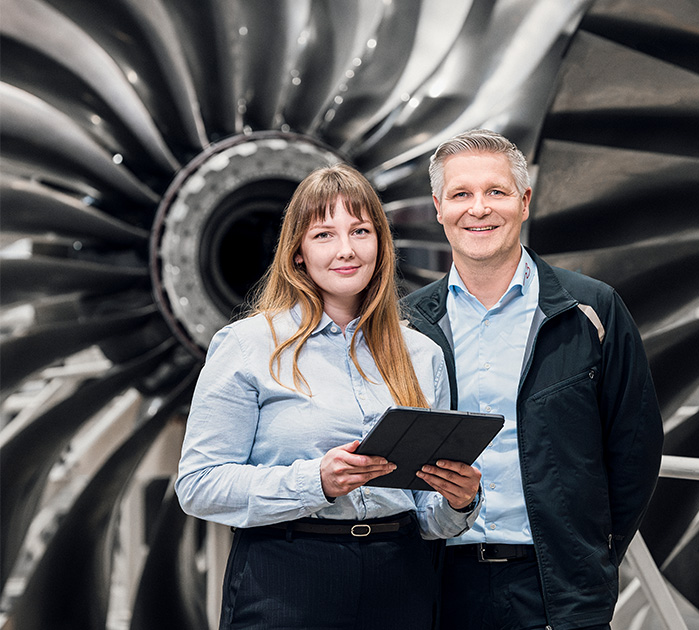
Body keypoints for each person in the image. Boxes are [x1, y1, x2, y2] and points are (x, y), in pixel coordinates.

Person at [176, 163, 483, 630]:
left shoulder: (422, 354)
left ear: (380, 244)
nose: (346, 250)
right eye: (324, 235)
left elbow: (427, 517)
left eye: (360, 231)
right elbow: (199, 486)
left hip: (401, 580)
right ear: (297, 253)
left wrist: (459, 501)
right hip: (287, 576)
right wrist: (314, 481)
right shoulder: (247, 346)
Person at [404, 129, 663, 630]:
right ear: (439, 208)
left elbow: (635, 447)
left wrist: (591, 552)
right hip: (438, 585)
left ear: (524, 202)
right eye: (461, 194)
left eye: (496, 192)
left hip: (557, 588)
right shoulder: (406, 325)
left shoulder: (592, 310)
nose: (479, 208)